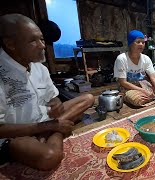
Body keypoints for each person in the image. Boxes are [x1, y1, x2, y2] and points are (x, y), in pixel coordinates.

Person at [0, 14, 95, 170]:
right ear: (11, 44)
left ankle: (51, 131)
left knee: (88, 98)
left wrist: (56, 105)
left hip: (44, 120)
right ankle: (56, 131)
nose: (42, 45)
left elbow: (53, 99)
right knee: (49, 157)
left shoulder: (39, 67)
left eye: (42, 39)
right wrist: (49, 126)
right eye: (33, 41)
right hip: (17, 134)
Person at [113, 30, 155, 104]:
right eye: (138, 42)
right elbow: (123, 82)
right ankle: (149, 96)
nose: (141, 44)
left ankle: (151, 96)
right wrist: (143, 91)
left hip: (142, 84)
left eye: (143, 42)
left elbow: (154, 77)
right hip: (128, 87)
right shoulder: (122, 58)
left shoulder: (146, 58)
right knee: (138, 99)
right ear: (131, 44)